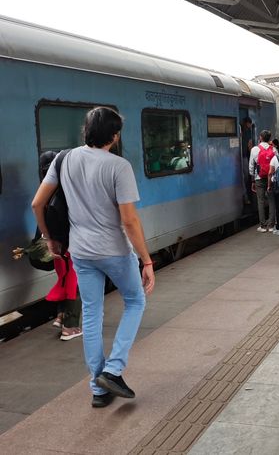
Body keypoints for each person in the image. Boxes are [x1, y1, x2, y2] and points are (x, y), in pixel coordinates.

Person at [31, 107, 155, 408]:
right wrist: (146, 260)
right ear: (114, 136)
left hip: (81, 252)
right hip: (114, 250)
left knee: (92, 314)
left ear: (85, 132)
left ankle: (98, 389)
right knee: (136, 301)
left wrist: (50, 239)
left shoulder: (63, 159)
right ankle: (113, 370)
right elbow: (129, 220)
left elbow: (38, 203)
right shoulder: (119, 166)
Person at [39, 151, 82, 341]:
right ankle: (70, 327)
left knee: (63, 278)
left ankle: (60, 316)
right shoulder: (66, 190)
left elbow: (36, 207)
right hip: (71, 244)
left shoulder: (45, 189)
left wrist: (48, 238)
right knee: (75, 282)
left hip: (55, 246)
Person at [249, 130, 276, 232]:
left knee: (260, 201)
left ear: (260, 137)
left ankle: (263, 226)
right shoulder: (273, 149)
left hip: (259, 178)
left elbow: (251, 166)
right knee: (271, 200)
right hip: (271, 178)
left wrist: (252, 179)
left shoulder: (255, 149)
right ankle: (271, 225)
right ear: (269, 138)